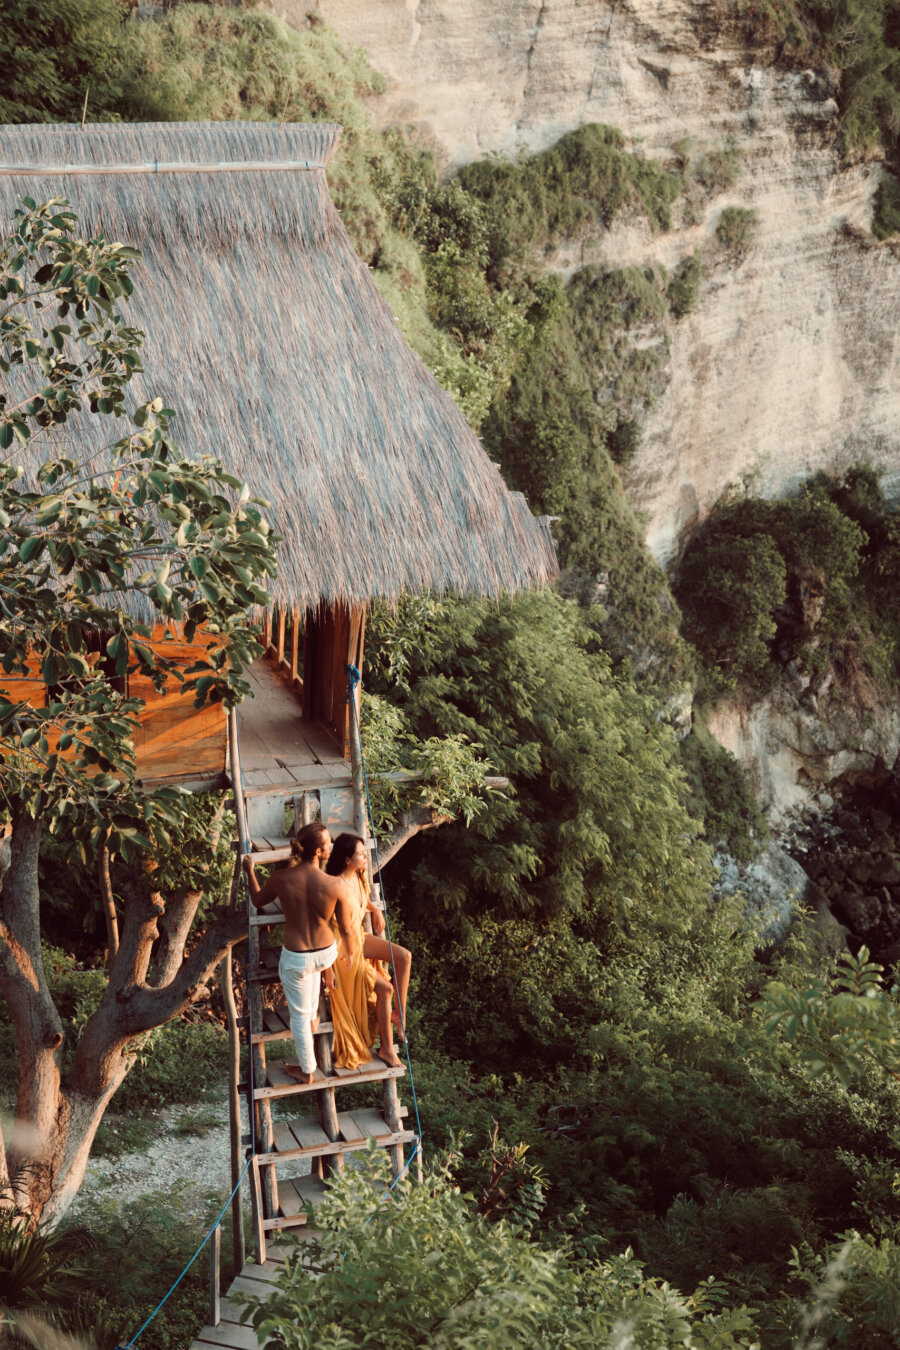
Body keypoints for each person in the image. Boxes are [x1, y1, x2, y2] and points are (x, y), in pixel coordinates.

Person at [243, 823, 357, 1084]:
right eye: (328, 843)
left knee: (298, 1018)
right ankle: (314, 1017)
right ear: (318, 851)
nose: (331, 846)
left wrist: (249, 871)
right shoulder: (335, 884)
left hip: (297, 956)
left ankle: (307, 1070)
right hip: (326, 953)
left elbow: (258, 900)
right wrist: (348, 955)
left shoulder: (281, 878)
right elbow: (347, 929)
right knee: (311, 987)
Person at [324, 833, 412, 1070]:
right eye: (361, 854)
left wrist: (376, 910)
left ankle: (399, 1016)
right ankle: (386, 1049)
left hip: (359, 939)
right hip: (344, 950)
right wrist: (327, 966)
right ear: (346, 860)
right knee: (386, 988)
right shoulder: (334, 884)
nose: (366, 857)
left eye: (365, 852)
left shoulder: (360, 877)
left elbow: (360, 900)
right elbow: (321, 923)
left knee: (404, 956)